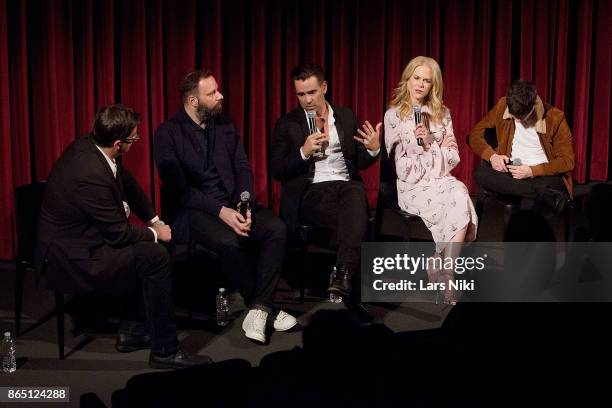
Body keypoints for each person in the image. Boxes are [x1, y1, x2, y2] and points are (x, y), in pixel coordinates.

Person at [36, 105, 212, 369]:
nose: (137, 141)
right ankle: (165, 351)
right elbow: (118, 235)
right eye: (134, 138)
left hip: (86, 237)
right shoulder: (89, 174)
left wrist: (154, 220)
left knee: (154, 248)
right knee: (154, 256)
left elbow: (129, 185)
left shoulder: (97, 145)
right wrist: (155, 233)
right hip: (74, 254)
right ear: (119, 143)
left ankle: (133, 330)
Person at [154, 69, 297, 344]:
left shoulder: (225, 125)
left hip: (232, 202)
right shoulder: (167, 134)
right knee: (228, 240)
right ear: (192, 101)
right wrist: (222, 212)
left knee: (276, 228)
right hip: (192, 211)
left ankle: (259, 308)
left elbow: (242, 167)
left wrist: (243, 203)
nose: (220, 95)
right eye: (212, 93)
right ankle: (264, 304)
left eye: (217, 90)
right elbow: (181, 192)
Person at [271, 63, 381, 323]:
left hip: (345, 190)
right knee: (357, 214)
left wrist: (374, 149)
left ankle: (342, 275)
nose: (307, 100)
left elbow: (359, 162)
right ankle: (349, 290)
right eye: (300, 94)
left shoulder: (344, 116)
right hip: (311, 194)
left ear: (324, 88)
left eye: (311, 92)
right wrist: (303, 152)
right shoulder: (287, 124)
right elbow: (278, 170)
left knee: (353, 191)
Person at [384, 56, 478, 305]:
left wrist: (427, 144)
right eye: (417, 78)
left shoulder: (442, 114)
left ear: (433, 85)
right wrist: (436, 149)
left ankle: (446, 269)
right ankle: (438, 263)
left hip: (441, 180)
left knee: (459, 191)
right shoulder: (393, 116)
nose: (421, 85)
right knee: (456, 196)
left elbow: (454, 157)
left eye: (427, 80)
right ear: (408, 79)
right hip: (412, 187)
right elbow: (403, 168)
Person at [468, 79, 575, 214]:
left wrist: (531, 171)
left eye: (521, 117)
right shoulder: (503, 105)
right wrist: (492, 156)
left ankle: (532, 192)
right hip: (514, 171)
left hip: (544, 174)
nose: (517, 120)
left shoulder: (555, 118)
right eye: (514, 116)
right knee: (480, 174)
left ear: (533, 105)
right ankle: (545, 195)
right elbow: (474, 135)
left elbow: (567, 162)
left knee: (527, 204)